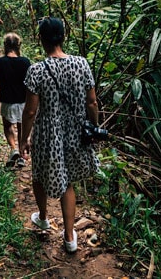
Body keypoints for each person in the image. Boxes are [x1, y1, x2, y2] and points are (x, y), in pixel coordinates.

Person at [19, 17, 99, 254]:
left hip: (47, 135)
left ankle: (43, 217)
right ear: (63, 37)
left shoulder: (36, 70)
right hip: (75, 132)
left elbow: (31, 111)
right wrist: (93, 128)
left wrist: (24, 138)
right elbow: (92, 101)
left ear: (41, 40)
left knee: (39, 175)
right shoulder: (81, 64)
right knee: (69, 183)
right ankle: (69, 236)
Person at [0, 33, 31, 168]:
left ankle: (13, 148)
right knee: (21, 128)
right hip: (22, 102)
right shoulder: (25, 62)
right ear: (18, 46)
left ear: (5, 46)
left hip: (7, 101)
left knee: (8, 127)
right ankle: (21, 155)